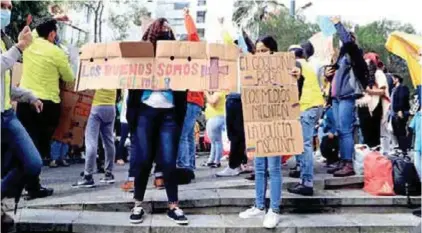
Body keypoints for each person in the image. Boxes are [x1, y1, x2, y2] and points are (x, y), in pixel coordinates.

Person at [127, 18, 188, 225]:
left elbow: (183, 89)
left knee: (169, 162)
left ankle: (174, 206)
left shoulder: (176, 60)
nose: (165, 36)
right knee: (143, 161)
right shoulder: (141, 60)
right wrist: (132, 120)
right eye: (161, 33)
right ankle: (137, 204)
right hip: (145, 113)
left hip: (169, 115)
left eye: (168, 34)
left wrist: (179, 119)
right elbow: (132, 90)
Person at [17, 18, 74, 199]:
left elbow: (35, 29)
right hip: (47, 105)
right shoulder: (57, 52)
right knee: (39, 148)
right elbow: (69, 76)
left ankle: (24, 184)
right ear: (52, 34)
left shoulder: (29, 43)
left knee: (24, 144)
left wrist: (54, 19)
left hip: (25, 102)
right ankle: (33, 186)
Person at [1, 2, 42, 228]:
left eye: (8, 6)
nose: (5, 11)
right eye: (1, 5)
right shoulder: (10, 45)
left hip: (7, 115)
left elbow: (5, 84)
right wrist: (19, 47)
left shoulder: (3, 39)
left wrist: (30, 96)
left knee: (33, 163)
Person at [238, 35, 282, 229]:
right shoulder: (253, 72)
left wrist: (296, 77)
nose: (260, 54)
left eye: (264, 50)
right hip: (258, 124)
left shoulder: (284, 70)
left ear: (273, 51)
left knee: (274, 168)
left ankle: (274, 209)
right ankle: (259, 205)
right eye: (257, 51)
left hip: (276, 124)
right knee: (259, 167)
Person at [323, 16, 368, 178]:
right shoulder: (342, 57)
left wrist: (337, 24)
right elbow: (337, 76)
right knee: (341, 131)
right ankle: (343, 160)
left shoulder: (353, 52)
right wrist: (328, 75)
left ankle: (348, 163)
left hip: (346, 96)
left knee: (346, 130)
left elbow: (348, 42)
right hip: (336, 98)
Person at [286, 43, 324, 196]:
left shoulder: (297, 65)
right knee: (303, 143)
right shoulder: (307, 65)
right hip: (314, 106)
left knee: (305, 144)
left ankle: (306, 182)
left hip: (306, 107)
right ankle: (303, 173)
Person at [216, 30, 254, 177]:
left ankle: (234, 165)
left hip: (240, 98)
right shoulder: (232, 61)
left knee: (237, 134)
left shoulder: (247, 59)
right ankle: (240, 162)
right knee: (235, 134)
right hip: (232, 97)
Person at [176, 8, 204, 180]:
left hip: (190, 99)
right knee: (187, 135)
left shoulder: (193, 56)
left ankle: (184, 166)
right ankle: (190, 165)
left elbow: (193, 35)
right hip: (195, 100)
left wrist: (186, 17)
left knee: (182, 134)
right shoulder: (196, 62)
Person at [73, 89, 117, 188]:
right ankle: (109, 174)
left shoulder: (95, 74)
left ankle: (88, 176)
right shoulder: (113, 74)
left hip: (96, 106)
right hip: (111, 106)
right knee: (109, 141)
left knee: (91, 141)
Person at [202, 91, 226, 168]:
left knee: (216, 141)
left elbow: (213, 102)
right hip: (215, 117)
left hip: (216, 117)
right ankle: (211, 160)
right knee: (214, 141)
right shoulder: (219, 91)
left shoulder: (219, 91)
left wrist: (206, 93)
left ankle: (216, 161)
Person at [390, 74, 410, 154]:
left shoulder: (402, 88)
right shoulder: (394, 89)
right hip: (394, 113)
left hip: (400, 112)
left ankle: (404, 149)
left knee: (401, 130)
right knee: (396, 131)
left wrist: (400, 110)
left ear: (397, 79)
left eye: (393, 79)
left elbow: (402, 98)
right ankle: (400, 147)